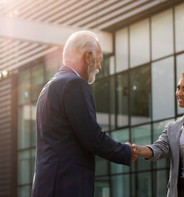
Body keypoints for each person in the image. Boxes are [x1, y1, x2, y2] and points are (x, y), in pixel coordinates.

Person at [31, 30, 136, 197]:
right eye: (99, 59)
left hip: (48, 186)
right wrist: (126, 151)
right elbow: (92, 137)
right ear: (88, 56)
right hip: (67, 186)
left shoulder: (49, 87)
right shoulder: (74, 84)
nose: (100, 67)